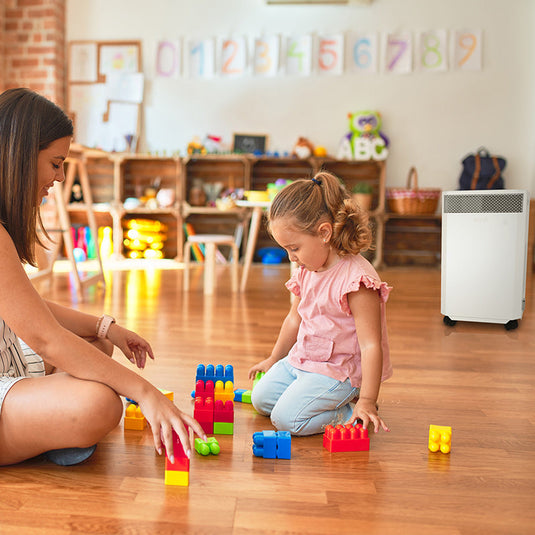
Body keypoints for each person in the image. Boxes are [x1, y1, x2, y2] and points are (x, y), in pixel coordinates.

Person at [0, 88, 205, 466]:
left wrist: (107, 326)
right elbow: (45, 338)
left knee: (97, 346)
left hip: (7, 362)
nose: (61, 176)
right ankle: (48, 428)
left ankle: (46, 426)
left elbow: (29, 307)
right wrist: (147, 393)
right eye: (55, 163)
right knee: (100, 403)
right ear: (20, 156)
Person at [248, 171, 392, 436]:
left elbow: (371, 345)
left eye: (294, 248)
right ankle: (317, 400)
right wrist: (273, 359)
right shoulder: (306, 269)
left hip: (338, 372)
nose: (291, 258)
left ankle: (349, 412)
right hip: (303, 360)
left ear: (324, 233)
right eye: (286, 250)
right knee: (261, 399)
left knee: (286, 420)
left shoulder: (357, 279)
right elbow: (295, 318)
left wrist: (368, 400)